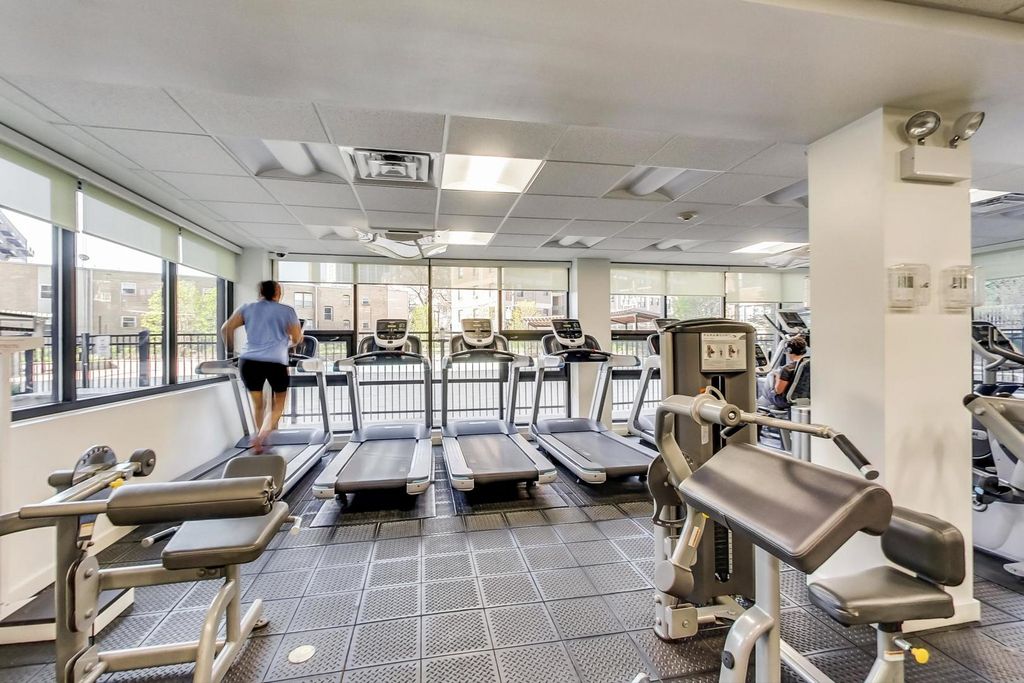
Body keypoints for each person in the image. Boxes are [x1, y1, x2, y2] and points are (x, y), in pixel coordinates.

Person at [221, 280, 302, 452]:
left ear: (260, 293)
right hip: (275, 362)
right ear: (278, 292)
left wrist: (230, 352)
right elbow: (296, 338)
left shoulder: (247, 308)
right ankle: (263, 435)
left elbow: (226, 329)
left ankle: (258, 439)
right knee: (279, 403)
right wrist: (290, 343)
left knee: (258, 404)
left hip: (248, 361)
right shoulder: (287, 311)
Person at [757, 335, 808, 410]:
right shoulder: (808, 365)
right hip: (804, 399)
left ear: (789, 350)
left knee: (770, 376)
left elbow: (778, 391)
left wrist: (778, 376)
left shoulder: (787, 369)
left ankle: (760, 408)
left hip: (785, 402)